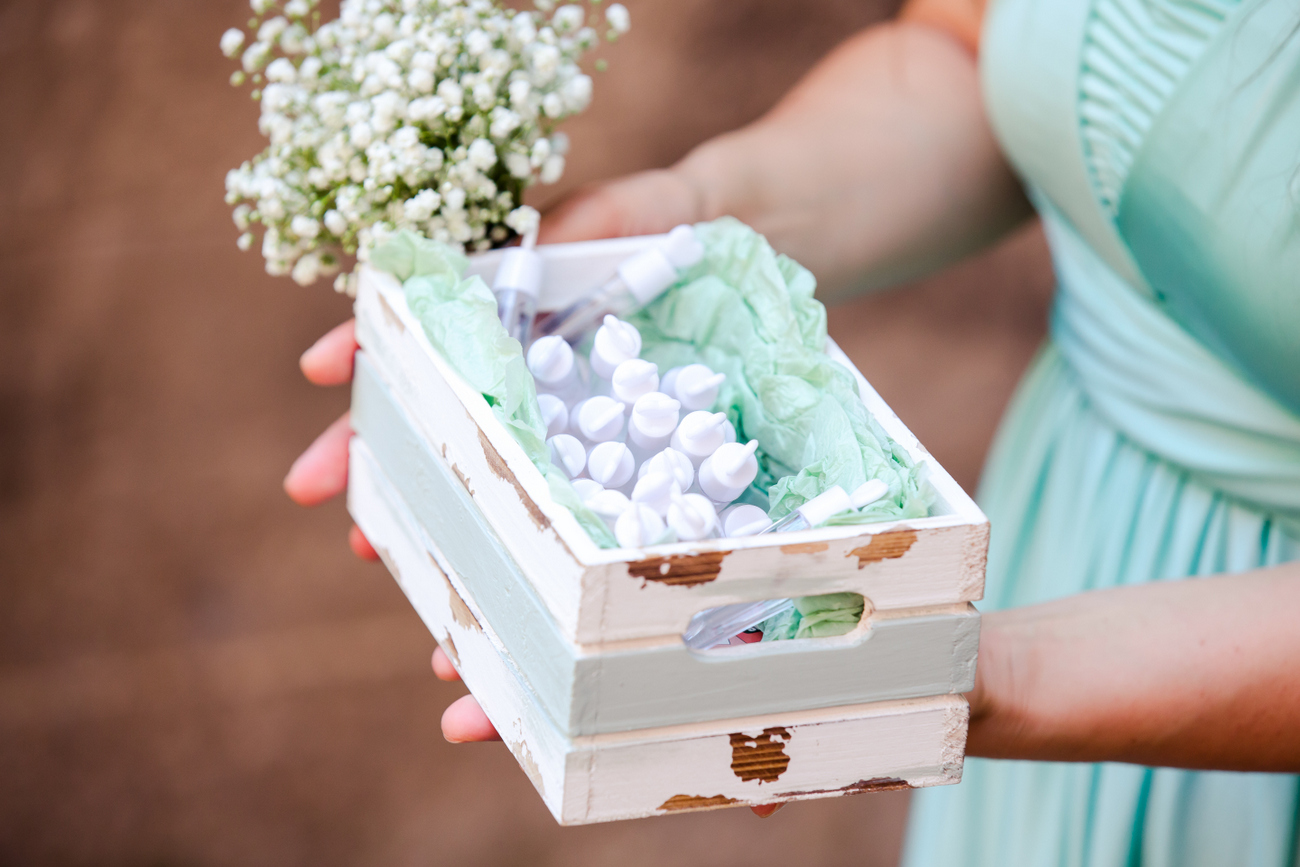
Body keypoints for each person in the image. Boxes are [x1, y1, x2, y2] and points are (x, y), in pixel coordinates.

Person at [283, 0, 1300, 861]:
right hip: (1075, 508)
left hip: (1203, 669)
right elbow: (972, 45)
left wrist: (986, 671)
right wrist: (685, 217)